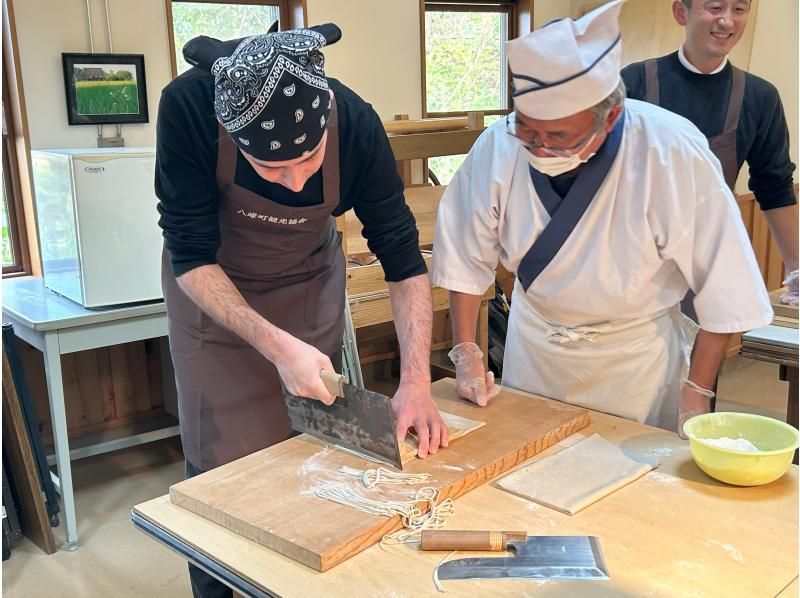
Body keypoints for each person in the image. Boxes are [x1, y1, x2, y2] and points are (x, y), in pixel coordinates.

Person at [155, 24, 446, 598]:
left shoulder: (356, 123)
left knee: (314, 452)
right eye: (271, 170)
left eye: (310, 160)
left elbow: (403, 258)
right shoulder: (187, 108)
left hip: (307, 288)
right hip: (214, 299)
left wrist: (416, 380)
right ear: (233, 138)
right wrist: (274, 344)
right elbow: (190, 254)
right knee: (220, 468)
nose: (295, 180)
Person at [430, 0, 773, 437]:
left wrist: (696, 392)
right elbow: (464, 255)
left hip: (635, 366)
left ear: (610, 117)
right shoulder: (498, 146)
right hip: (535, 350)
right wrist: (466, 352)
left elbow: (724, 286)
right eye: (528, 130)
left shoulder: (669, 151)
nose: (538, 147)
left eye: (557, 136)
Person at [622, 0, 798, 307]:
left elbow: (775, 188)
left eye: (739, 10)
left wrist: (796, 270)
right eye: (715, 7)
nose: (727, 21)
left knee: (704, 351)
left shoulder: (759, 97)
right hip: (631, 264)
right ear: (681, 12)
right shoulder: (633, 83)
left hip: (707, 265)